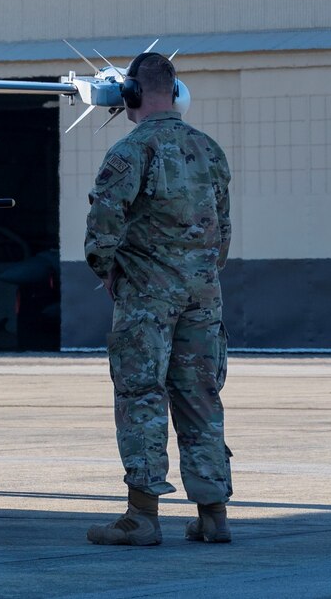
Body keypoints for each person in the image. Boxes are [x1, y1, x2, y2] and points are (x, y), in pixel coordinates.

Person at [84, 52, 233, 545]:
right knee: (200, 397)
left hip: (148, 297)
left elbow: (103, 225)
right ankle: (213, 514)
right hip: (203, 294)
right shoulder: (209, 150)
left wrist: (108, 272)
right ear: (174, 91)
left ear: (130, 94)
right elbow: (224, 230)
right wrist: (202, 274)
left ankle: (143, 515)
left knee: (140, 395)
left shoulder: (132, 151)